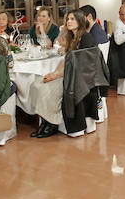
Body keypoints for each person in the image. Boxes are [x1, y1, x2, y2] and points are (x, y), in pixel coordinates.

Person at [29, 10, 98, 138]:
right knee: (36, 84)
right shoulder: (71, 36)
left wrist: (56, 76)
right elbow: (66, 59)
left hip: (78, 79)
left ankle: (52, 124)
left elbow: (80, 66)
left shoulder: (86, 38)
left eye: (72, 19)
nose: (68, 22)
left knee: (46, 89)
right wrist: (53, 73)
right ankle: (44, 121)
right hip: (68, 74)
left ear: (80, 21)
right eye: (68, 19)